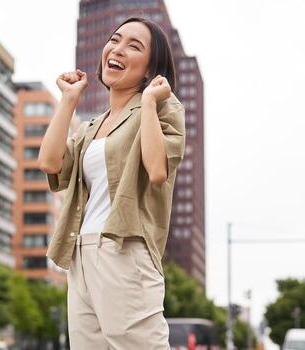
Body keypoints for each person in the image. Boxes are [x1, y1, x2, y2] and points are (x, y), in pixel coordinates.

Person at [38, 16, 186, 349]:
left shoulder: (163, 107)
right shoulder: (91, 127)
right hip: (79, 252)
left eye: (134, 46)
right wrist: (69, 99)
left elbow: (157, 170)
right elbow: (49, 162)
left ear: (149, 69)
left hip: (124, 249)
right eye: (115, 40)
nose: (117, 49)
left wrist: (149, 101)